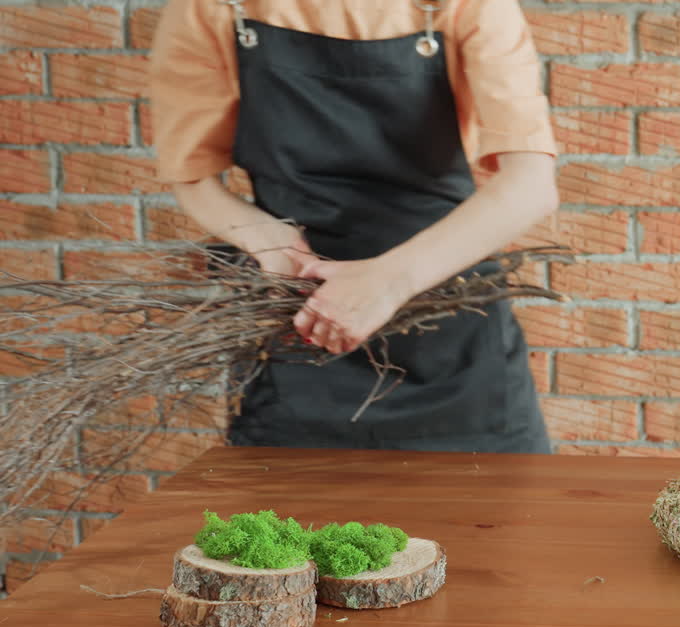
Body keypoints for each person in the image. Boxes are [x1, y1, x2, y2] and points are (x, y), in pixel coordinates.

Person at [149, 0, 559, 453]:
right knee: (285, 523)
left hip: (452, 335)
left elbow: (530, 185)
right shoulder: (214, 6)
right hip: (303, 321)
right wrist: (269, 242)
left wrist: (386, 282)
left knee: (497, 518)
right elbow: (190, 174)